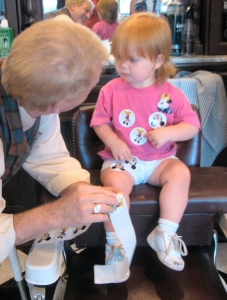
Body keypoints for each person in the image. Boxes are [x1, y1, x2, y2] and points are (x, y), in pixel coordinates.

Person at [0, 19, 121, 299]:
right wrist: (57, 213)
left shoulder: (33, 88)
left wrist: (78, 189)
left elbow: (49, 158)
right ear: (61, 104)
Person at [90, 12, 201, 281]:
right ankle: (116, 246)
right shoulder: (111, 90)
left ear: (158, 60)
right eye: (119, 58)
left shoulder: (171, 94)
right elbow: (99, 123)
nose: (123, 65)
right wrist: (114, 141)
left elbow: (192, 125)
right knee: (115, 192)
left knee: (180, 174)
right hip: (123, 162)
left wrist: (168, 132)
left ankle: (165, 233)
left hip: (158, 161)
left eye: (133, 59)